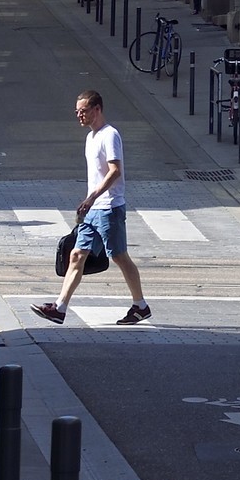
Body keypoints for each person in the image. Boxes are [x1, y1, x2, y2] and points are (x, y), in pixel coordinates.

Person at [31, 89, 150, 326]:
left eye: (83, 111)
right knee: (76, 255)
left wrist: (93, 197)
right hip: (93, 209)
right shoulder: (91, 137)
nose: (79, 116)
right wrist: (88, 202)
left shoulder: (110, 135)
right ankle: (59, 308)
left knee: (119, 257)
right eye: (77, 112)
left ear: (97, 109)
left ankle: (140, 306)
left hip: (109, 208)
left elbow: (115, 171)